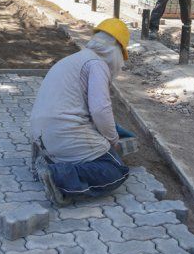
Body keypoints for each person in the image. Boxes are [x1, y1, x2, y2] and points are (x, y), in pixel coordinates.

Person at [30, 18, 132, 206]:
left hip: (42, 134)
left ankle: (48, 159)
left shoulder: (75, 59)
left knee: (98, 144)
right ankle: (57, 176)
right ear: (116, 50)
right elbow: (100, 110)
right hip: (62, 133)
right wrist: (112, 140)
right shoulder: (97, 64)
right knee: (115, 169)